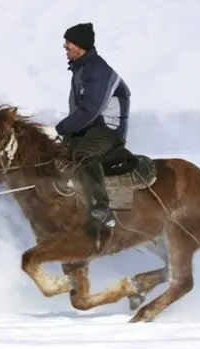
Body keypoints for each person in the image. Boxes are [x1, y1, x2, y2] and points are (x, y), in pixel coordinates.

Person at [53, 22, 131, 231]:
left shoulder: (98, 71)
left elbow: (90, 110)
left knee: (84, 155)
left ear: (80, 45)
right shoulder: (80, 70)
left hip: (107, 129)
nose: (64, 46)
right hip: (88, 128)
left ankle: (101, 206)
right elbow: (77, 112)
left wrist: (58, 129)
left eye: (68, 42)